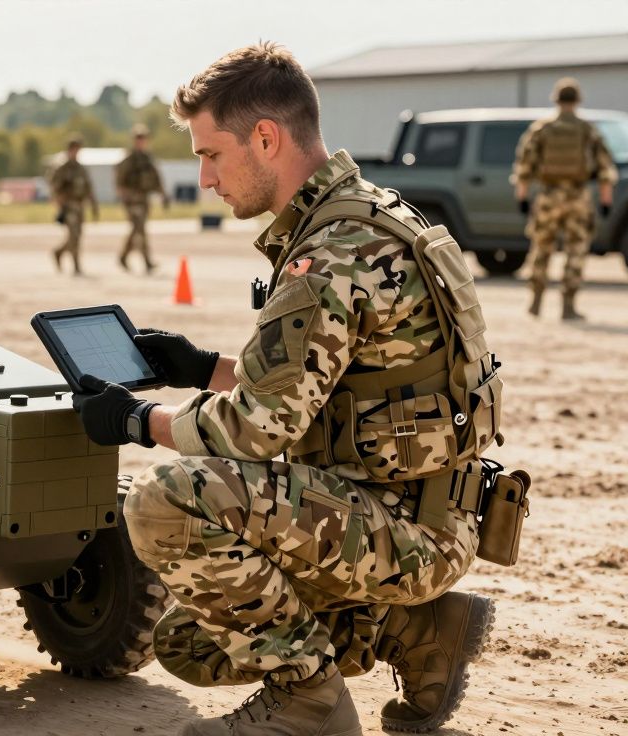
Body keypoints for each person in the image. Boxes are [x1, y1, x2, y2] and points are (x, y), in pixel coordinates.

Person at [72, 42, 505, 735]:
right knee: (190, 642)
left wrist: (137, 419)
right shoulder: (370, 217)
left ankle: (308, 703)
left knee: (163, 505)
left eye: (211, 153)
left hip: (406, 528)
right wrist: (199, 366)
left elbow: (257, 429)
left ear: (266, 139)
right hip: (426, 510)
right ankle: (416, 632)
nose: (206, 178)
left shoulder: (327, 255)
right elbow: (321, 390)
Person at [513, 77, 618, 320]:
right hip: (578, 196)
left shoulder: (542, 128)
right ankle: (568, 306)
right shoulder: (587, 129)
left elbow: (524, 166)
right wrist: (605, 202)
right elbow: (605, 170)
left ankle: (535, 302)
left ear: (557, 100)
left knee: (541, 247)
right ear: (577, 100)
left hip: (548, 196)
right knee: (576, 249)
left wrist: (522, 197)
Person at [116, 124, 170, 273]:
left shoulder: (147, 158)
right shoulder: (129, 159)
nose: (141, 141)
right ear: (134, 140)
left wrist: (163, 194)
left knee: (137, 229)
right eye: (139, 138)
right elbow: (120, 181)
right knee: (139, 229)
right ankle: (146, 261)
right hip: (132, 201)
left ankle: (124, 256)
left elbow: (156, 178)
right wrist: (125, 197)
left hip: (144, 199)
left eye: (143, 138)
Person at [50, 135, 99, 275]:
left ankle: (59, 252)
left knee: (77, 235)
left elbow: (88, 188)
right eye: (74, 149)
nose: (76, 152)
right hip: (68, 206)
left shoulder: (81, 169)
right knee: (74, 235)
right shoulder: (62, 168)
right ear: (69, 150)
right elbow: (54, 187)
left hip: (79, 206)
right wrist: (60, 203)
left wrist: (94, 205)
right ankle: (76, 265)